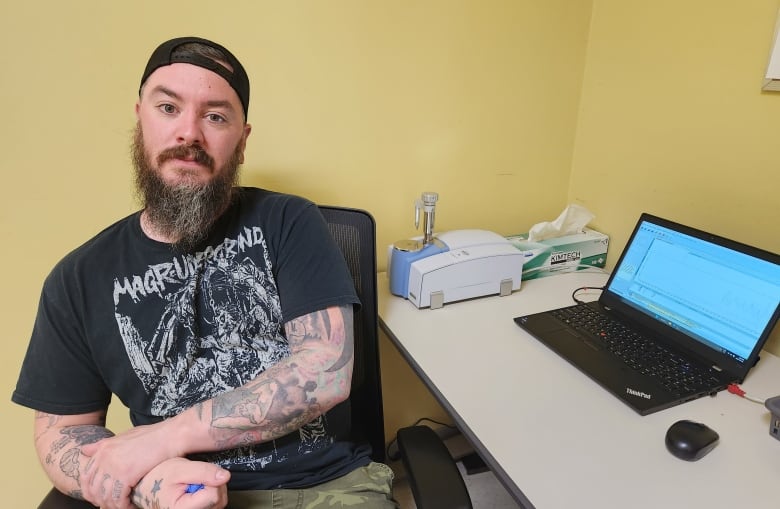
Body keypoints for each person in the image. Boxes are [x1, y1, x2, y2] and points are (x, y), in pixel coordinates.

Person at [12, 36, 397, 509]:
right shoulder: (77, 278)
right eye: (168, 108)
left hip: (317, 486)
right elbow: (62, 431)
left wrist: (163, 439)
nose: (189, 134)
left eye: (215, 116)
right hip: (166, 492)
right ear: (140, 120)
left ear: (242, 138)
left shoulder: (288, 221)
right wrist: (148, 484)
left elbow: (325, 370)